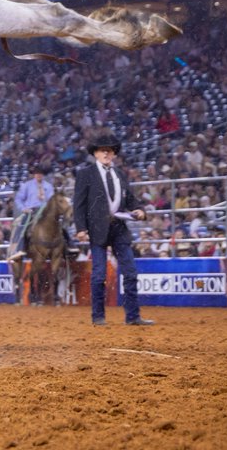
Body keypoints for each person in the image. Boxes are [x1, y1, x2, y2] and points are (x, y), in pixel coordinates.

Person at [72, 132, 154, 326]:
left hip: (118, 228)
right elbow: (79, 204)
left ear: (114, 154)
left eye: (110, 151)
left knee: (130, 272)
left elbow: (130, 199)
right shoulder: (86, 173)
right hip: (97, 229)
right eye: (103, 151)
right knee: (99, 274)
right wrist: (81, 228)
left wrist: (140, 210)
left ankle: (133, 316)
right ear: (96, 154)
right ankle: (98, 316)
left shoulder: (119, 175)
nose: (107, 154)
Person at [7, 167, 53, 261]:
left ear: (43, 174)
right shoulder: (27, 185)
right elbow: (19, 198)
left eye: (40, 173)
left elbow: (51, 199)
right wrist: (23, 208)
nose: (39, 175)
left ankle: (68, 245)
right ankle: (19, 249)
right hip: (31, 211)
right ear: (34, 174)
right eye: (37, 173)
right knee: (22, 227)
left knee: (57, 225)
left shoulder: (48, 186)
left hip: (45, 211)